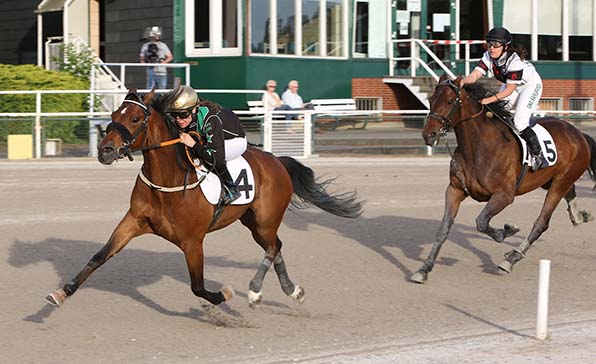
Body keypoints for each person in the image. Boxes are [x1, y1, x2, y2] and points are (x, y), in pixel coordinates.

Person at [460, 26, 548, 171]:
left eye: (495, 45)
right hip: (511, 85)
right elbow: (475, 76)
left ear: (505, 46)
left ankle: (539, 155)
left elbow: (508, 90)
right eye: (489, 44)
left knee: (519, 122)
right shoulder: (488, 56)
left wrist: (486, 101)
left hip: (529, 86)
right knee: (498, 115)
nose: (491, 48)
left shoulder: (515, 62)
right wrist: (461, 81)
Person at [165, 85, 246, 204]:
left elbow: (216, 158)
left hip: (234, 141)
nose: (178, 119)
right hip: (212, 137)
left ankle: (232, 188)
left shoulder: (210, 119)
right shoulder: (187, 115)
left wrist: (193, 144)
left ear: (193, 110)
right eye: (174, 115)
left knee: (209, 158)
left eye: (183, 115)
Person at [139, 26, 173, 90]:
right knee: (150, 91)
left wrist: (164, 62)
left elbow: (170, 57)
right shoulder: (145, 46)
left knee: (162, 91)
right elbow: (142, 57)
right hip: (150, 71)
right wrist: (143, 61)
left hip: (161, 71)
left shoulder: (163, 45)